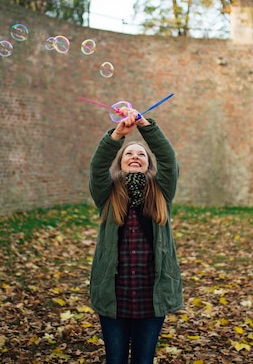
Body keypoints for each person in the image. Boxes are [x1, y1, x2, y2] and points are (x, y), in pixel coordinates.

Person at [88, 106, 183, 364]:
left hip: (151, 295)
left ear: (148, 164)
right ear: (119, 163)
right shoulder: (107, 193)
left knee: (144, 360)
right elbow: (97, 167)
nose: (134, 155)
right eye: (128, 153)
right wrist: (118, 135)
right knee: (115, 359)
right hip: (114, 295)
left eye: (141, 154)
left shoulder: (162, 191)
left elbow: (167, 157)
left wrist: (144, 125)